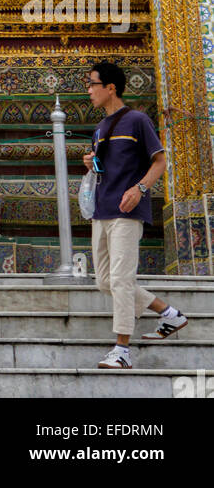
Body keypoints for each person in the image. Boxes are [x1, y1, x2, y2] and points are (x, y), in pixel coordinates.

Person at [83, 60, 188, 369]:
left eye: (92, 84)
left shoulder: (138, 121)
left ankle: (122, 351)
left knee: (121, 278)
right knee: (105, 281)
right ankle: (170, 314)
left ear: (110, 87)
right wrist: (92, 163)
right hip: (101, 210)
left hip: (127, 211)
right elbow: (107, 167)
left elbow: (159, 161)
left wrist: (140, 189)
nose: (89, 90)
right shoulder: (100, 128)